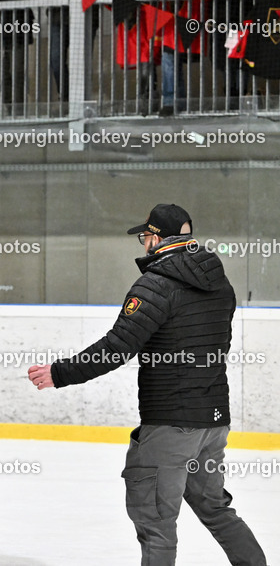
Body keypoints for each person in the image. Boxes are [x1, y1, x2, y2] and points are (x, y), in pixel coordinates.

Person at [28, 204, 267, 566]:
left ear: (156, 238)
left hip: (170, 423)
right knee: (215, 508)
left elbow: (117, 346)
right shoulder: (221, 283)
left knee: (154, 520)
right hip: (213, 420)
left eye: (145, 237)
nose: (143, 244)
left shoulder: (156, 284)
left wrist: (60, 373)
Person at [105, 0, 157, 114]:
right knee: (139, 67)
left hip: (144, 29)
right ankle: (143, 99)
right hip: (127, 31)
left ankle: (147, 98)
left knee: (146, 65)